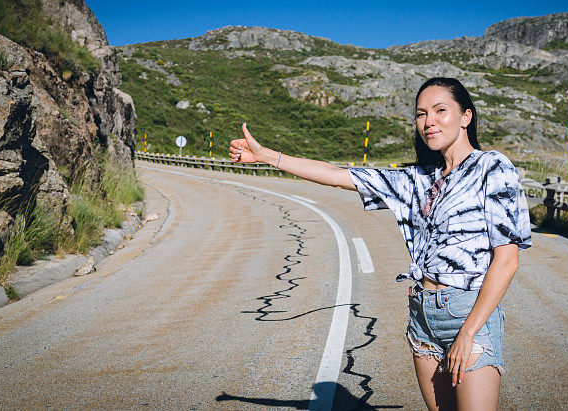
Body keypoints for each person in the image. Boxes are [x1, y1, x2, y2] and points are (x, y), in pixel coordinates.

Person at [228, 77, 532, 410]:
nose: (429, 121)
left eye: (440, 110)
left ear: (465, 117)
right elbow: (337, 175)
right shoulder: (416, 179)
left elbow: (507, 260)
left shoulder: (493, 167)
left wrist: (469, 333)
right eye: (421, 114)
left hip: (468, 312)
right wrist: (267, 155)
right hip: (423, 315)